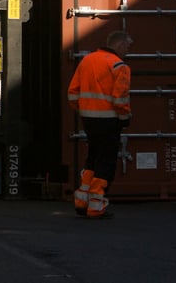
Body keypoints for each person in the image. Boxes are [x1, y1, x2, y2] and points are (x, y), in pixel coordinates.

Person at [67, 30, 133, 219]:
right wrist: (125, 117)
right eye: (127, 46)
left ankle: (82, 201)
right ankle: (96, 206)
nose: (128, 50)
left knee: (92, 158)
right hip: (109, 121)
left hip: (88, 120)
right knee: (106, 162)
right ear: (119, 45)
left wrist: (82, 110)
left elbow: (72, 92)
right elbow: (120, 99)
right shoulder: (119, 66)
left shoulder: (86, 61)